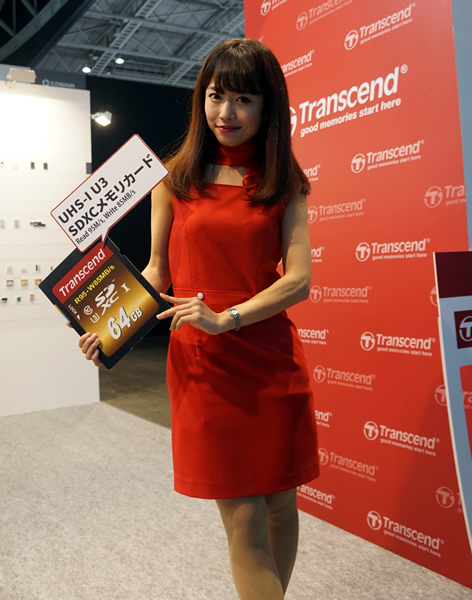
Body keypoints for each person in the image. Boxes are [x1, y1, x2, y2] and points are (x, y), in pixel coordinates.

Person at [79, 38, 319, 600]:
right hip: (204, 367)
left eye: (243, 99)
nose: (225, 112)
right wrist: (111, 327)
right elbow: (158, 270)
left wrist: (227, 318)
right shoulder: (175, 178)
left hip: (271, 362)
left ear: (267, 107)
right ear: (200, 99)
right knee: (244, 518)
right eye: (215, 96)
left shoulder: (284, 182)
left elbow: (298, 280)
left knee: (280, 505)